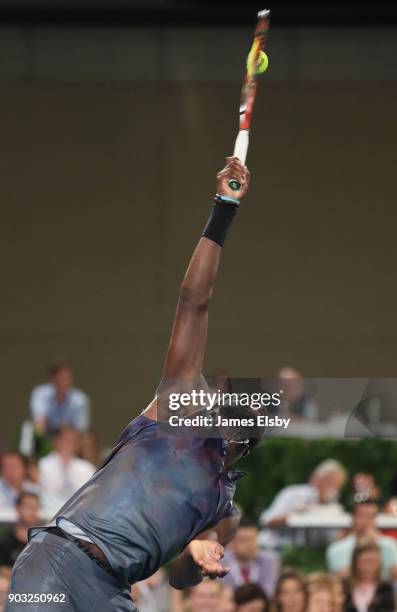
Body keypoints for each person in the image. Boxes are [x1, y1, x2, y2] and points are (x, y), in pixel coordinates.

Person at [7, 157, 254, 611]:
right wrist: (224, 208)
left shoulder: (225, 508)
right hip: (56, 560)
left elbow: (179, 579)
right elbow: (193, 303)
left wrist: (198, 553)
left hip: (112, 592)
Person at [259, 459, 347, 548]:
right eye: (330, 483)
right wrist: (294, 514)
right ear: (317, 479)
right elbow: (266, 521)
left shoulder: (332, 507)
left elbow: (328, 539)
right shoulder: (293, 494)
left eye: (337, 487)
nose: (333, 491)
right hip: (274, 546)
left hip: (304, 552)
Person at [326, 499, 397, 582]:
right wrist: (366, 545)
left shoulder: (390, 544)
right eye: (363, 515)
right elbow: (342, 579)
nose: (367, 521)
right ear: (353, 518)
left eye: (371, 516)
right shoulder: (336, 548)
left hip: (384, 593)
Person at [38, 426, 96, 508]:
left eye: (73, 440)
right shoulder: (43, 465)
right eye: (65, 439)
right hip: (49, 513)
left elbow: (91, 496)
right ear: (55, 441)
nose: (68, 443)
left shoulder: (87, 468)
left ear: (77, 444)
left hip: (77, 516)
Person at [222, 518, 280, 598]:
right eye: (243, 540)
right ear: (232, 543)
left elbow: (268, 592)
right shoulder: (221, 561)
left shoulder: (269, 560)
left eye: (252, 539)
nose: (249, 545)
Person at [29, 361, 90, 435]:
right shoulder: (40, 393)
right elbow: (39, 423)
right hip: (46, 436)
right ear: (52, 379)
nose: (63, 382)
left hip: (70, 438)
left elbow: (81, 430)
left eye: (67, 378)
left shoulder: (80, 400)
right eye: (60, 378)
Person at [343, 539, 395, 612]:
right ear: (355, 562)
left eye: (373, 561)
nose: (369, 567)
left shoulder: (386, 589)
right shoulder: (344, 587)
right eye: (364, 561)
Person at [0, 493, 40, 568]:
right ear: (17, 509)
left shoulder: (45, 541)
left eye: (36, 507)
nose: (33, 511)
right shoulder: (5, 542)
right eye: (29, 507)